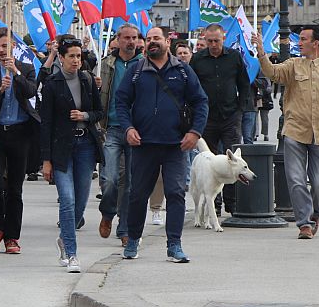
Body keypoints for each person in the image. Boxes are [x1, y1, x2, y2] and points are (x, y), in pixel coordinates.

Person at [116, 27, 209, 263]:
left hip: (176, 145)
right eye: (148, 39)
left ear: (168, 41)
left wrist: (195, 132)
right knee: (138, 195)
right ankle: (133, 240)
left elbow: (201, 102)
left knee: (176, 194)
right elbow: (121, 102)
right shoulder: (137, 71)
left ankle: (174, 245)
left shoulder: (183, 70)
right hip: (144, 144)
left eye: (156, 38)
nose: (151, 42)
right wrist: (128, 128)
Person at [253, 26, 319, 238]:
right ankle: (304, 224)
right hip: (295, 131)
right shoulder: (293, 65)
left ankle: (316, 212)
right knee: (296, 181)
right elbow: (273, 73)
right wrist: (261, 51)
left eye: (304, 39)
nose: (299, 42)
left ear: (315, 43)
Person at [39, 37, 102, 273]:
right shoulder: (52, 84)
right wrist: (46, 160)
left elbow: (98, 111)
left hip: (85, 145)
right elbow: (45, 123)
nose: (76, 60)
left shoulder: (87, 80)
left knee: (81, 201)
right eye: (72, 56)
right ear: (62, 58)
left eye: (79, 56)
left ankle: (64, 237)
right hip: (61, 148)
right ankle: (72, 254)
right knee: (67, 199)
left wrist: (84, 116)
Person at [0, 27, 38, 255]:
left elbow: (31, 91)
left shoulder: (26, 68)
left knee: (15, 188)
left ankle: (12, 236)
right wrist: (0, 91)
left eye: (3, 46)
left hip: (20, 133)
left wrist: (15, 73)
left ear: (13, 46)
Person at [189, 23, 250, 216]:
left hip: (230, 116)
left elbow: (244, 83)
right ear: (204, 40)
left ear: (223, 38)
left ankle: (232, 204)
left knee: (232, 161)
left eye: (217, 40)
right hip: (207, 118)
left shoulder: (234, 57)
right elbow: (190, 87)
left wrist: (240, 109)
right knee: (210, 163)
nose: (213, 44)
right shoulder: (198, 59)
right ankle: (213, 204)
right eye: (209, 41)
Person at [97, 24, 142, 246]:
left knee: (131, 183)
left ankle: (124, 228)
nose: (131, 41)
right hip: (112, 128)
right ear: (118, 39)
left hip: (137, 130)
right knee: (110, 179)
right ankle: (107, 212)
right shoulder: (106, 64)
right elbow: (99, 94)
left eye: (134, 38)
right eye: (126, 38)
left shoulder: (144, 64)